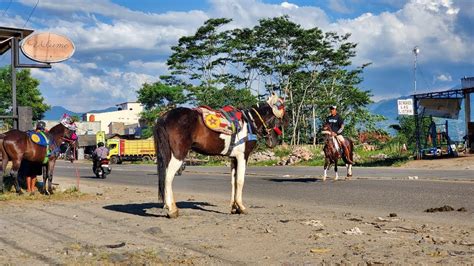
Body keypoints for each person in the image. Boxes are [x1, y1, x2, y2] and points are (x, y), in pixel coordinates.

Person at [19, 121, 47, 194]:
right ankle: (32, 188)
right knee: (34, 174)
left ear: (37, 127)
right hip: (37, 157)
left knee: (28, 174)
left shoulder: (30, 133)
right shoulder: (43, 136)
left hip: (28, 157)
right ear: (43, 128)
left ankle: (28, 189)